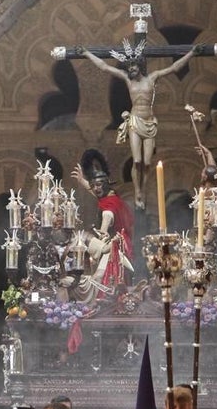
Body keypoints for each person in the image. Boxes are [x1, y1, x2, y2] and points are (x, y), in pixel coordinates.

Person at [76, 45, 200, 210]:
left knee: (147, 162)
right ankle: (137, 192)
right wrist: (86, 53)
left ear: (139, 67)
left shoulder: (152, 78)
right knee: (137, 160)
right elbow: (105, 67)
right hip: (135, 121)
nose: (131, 70)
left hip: (149, 122)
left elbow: (174, 67)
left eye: (133, 67)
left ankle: (144, 188)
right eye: (129, 68)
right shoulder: (128, 79)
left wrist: (191, 53)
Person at [71, 148, 134, 295]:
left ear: (106, 184)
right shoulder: (110, 197)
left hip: (115, 246)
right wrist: (82, 181)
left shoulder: (109, 208)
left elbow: (107, 218)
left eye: (99, 185)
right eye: (94, 186)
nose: (95, 189)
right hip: (116, 243)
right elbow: (97, 193)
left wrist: (102, 234)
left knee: (102, 276)